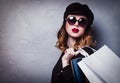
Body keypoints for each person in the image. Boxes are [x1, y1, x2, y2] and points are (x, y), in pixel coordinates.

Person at [51, 2, 96, 83]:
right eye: (72, 19)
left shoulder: (87, 53)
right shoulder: (66, 52)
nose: (76, 24)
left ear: (86, 27)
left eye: (82, 21)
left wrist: (65, 62)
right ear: (65, 23)